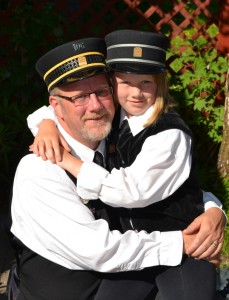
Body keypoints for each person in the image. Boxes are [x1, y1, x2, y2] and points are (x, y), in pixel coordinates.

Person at [27, 31, 226, 300]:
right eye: (124, 82)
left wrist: (214, 210)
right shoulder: (114, 118)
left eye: (145, 82)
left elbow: (131, 191)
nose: (135, 92)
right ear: (114, 83)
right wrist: (45, 123)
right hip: (135, 252)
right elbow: (65, 103)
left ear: (160, 84)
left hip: (184, 247)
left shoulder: (169, 133)